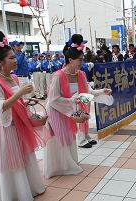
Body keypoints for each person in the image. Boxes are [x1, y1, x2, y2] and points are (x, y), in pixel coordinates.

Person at [0, 30, 45, 201]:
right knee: (12, 162)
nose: (15, 60)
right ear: (0, 62)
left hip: (19, 125)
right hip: (7, 129)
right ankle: (15, 194)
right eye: (11, 58)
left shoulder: (14, 78)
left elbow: (16, 103)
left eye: (14, 57)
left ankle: (29, 187)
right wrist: (19, 94)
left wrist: (27, 102)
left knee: (25, 157)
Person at [44, 34, 113, 178]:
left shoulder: (80, 74)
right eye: (80, 60)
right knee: (60, 138)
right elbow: (53, 99)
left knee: (69, 136)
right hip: (58, 111)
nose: (82, 62)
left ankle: (69, 163)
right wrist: (71, 102)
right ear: (70, 60)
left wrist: (102, 91)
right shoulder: (58, 76)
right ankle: (59, 166)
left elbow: (88, 91)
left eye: (82, 59)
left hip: (70, 109)